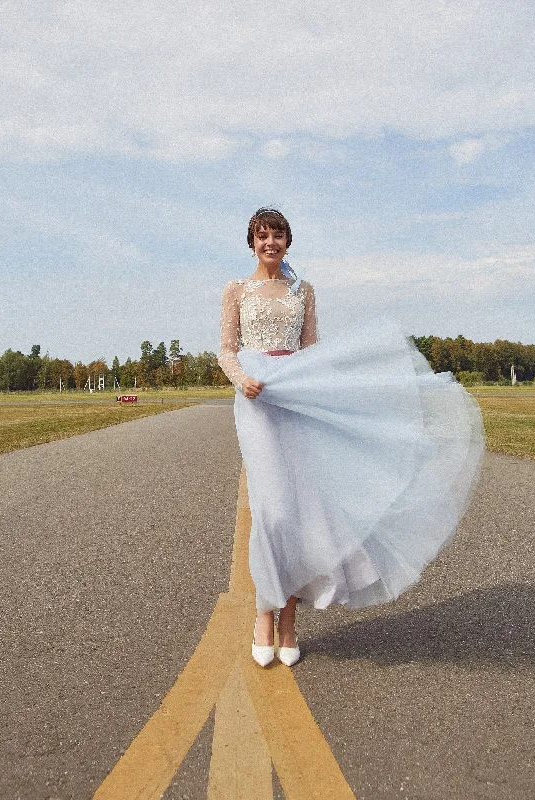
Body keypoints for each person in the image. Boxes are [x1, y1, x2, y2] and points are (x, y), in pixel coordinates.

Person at [218, 207, 484, 668]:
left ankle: (288, 624)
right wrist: (241, 378)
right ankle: (264, 613)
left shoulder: (304, 291)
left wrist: (329, 389)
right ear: (251, 243)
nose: (270, 244)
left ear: (287, 242)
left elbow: (312, 348)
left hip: (298, 392)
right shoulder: (236, 290)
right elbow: (225, 348)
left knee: (304, 509)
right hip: (257, 398)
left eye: (278, 236)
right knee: (274, 511)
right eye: (262, 237)